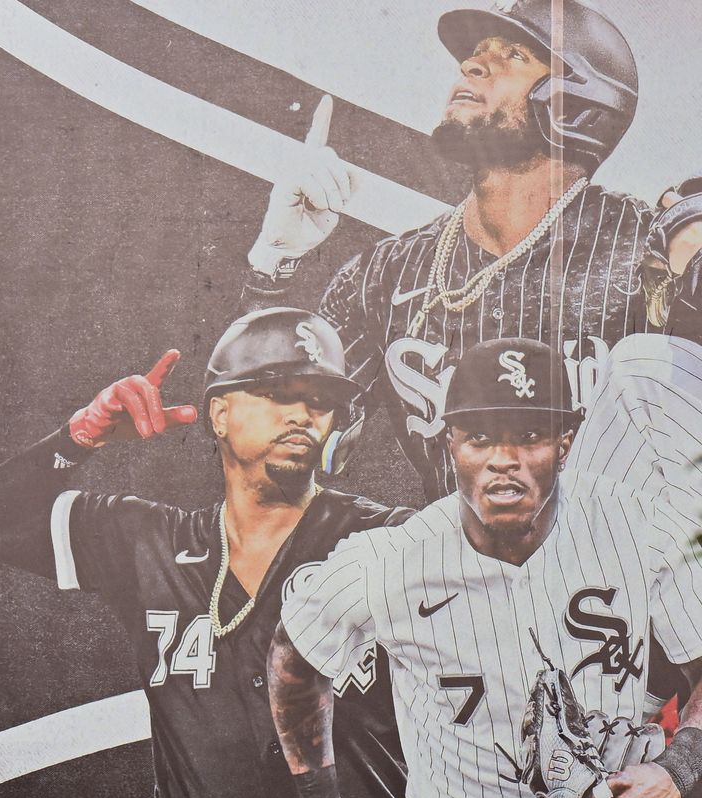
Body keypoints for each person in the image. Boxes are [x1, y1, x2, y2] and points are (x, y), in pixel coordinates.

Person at [0, 307, 410, 798]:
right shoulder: (149, 540)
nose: (305, 414)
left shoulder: (387, 539)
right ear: (219, 414)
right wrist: (79, 437)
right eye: (281, 392)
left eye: (321, 401)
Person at [268, 337, 702, 798]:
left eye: (529, 435)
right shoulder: (392, 559)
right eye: (479, 437)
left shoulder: (636, 523)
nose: (503, 458)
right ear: (449, 446)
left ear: (567, 440)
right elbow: (295, 662)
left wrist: (676, 770)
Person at [245, 0, 702, 502]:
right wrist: (274, 260)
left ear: (576, 102)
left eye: (513, 55)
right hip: (459, 569)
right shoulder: (387, 273)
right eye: (474, 55)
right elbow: (277, 439)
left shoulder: (650, 249)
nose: (471, 65)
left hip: (628, 567)